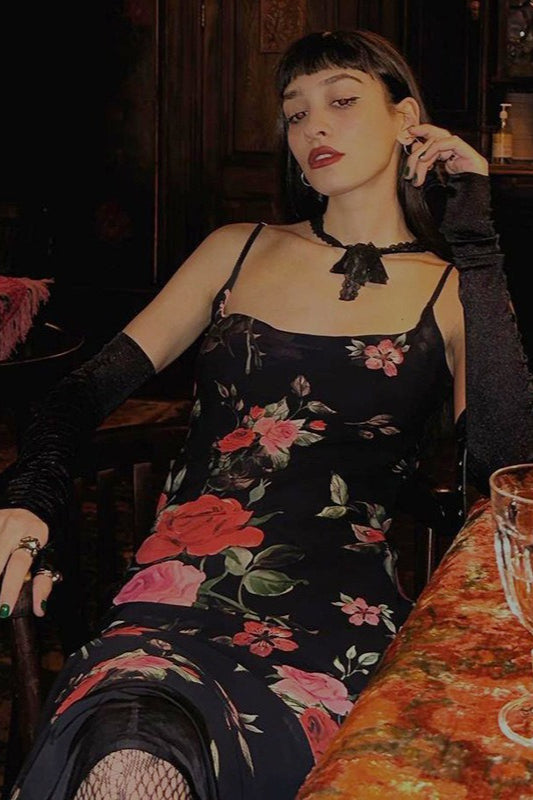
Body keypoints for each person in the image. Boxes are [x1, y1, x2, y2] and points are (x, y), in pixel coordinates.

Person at [1, 28, 532, 800]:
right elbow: (78, 395)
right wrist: (30, 497)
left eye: (341, 100)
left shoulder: (449, 289)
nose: (313, 126)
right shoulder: (236, 248)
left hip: (339, 614)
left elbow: (504, 472)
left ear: (406, 118)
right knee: (128, 751)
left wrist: (477, 241)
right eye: (295, 113)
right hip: (178, 596)